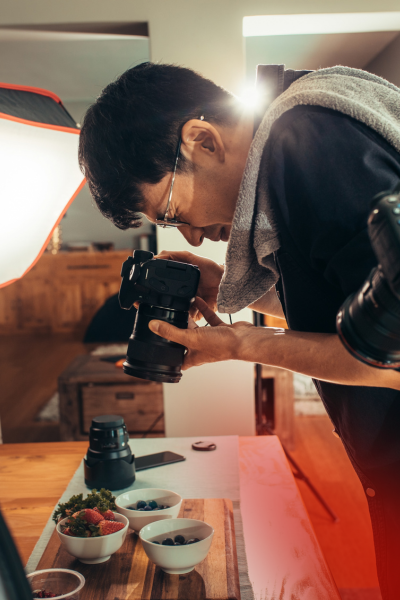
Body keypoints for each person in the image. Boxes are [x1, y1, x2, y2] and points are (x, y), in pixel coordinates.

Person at [79, 61, 400, 598]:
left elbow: (391, 355)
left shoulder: (308, 140)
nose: (192, 236)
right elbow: (357, 312)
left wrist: (242, 343)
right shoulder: (308, 118)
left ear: (202, 140)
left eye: (173, 212)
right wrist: (234, 289)